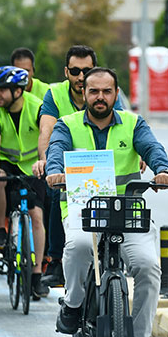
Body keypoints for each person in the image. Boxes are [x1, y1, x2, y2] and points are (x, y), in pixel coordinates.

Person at [45, 67, 168, 337]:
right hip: (82, 208)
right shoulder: (67, 125)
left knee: (148, 266)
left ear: (116, 94)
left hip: (127, 210)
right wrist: (54, 170)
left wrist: (163, 169)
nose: (100, 97)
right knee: (77, 247)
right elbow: (56, 149)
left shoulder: (133, 123)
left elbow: (152, 147)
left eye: (106, 91)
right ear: (84, 93)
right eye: (93, 91)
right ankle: (74, 305)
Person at [35, 45, 125, 288]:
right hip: (65, 162)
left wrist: (140, 156)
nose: (81, 76)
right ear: (66, 72)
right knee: (57, 194)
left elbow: (127, 128)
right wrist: (46, 161)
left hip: (102, 165)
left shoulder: (104, 93)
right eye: (75, 71)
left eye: (86, 70)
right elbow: (47, 131)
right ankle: (54, 260)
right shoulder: (55, 95)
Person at [0, 65, 48, 299]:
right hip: (5, 161)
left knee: (37, 217)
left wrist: (44, 163)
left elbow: (45, 138)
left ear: (18, 91)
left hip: (34, 165)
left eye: (2, 90)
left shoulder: (38, 107)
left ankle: (37, 274)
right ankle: (0, 230)